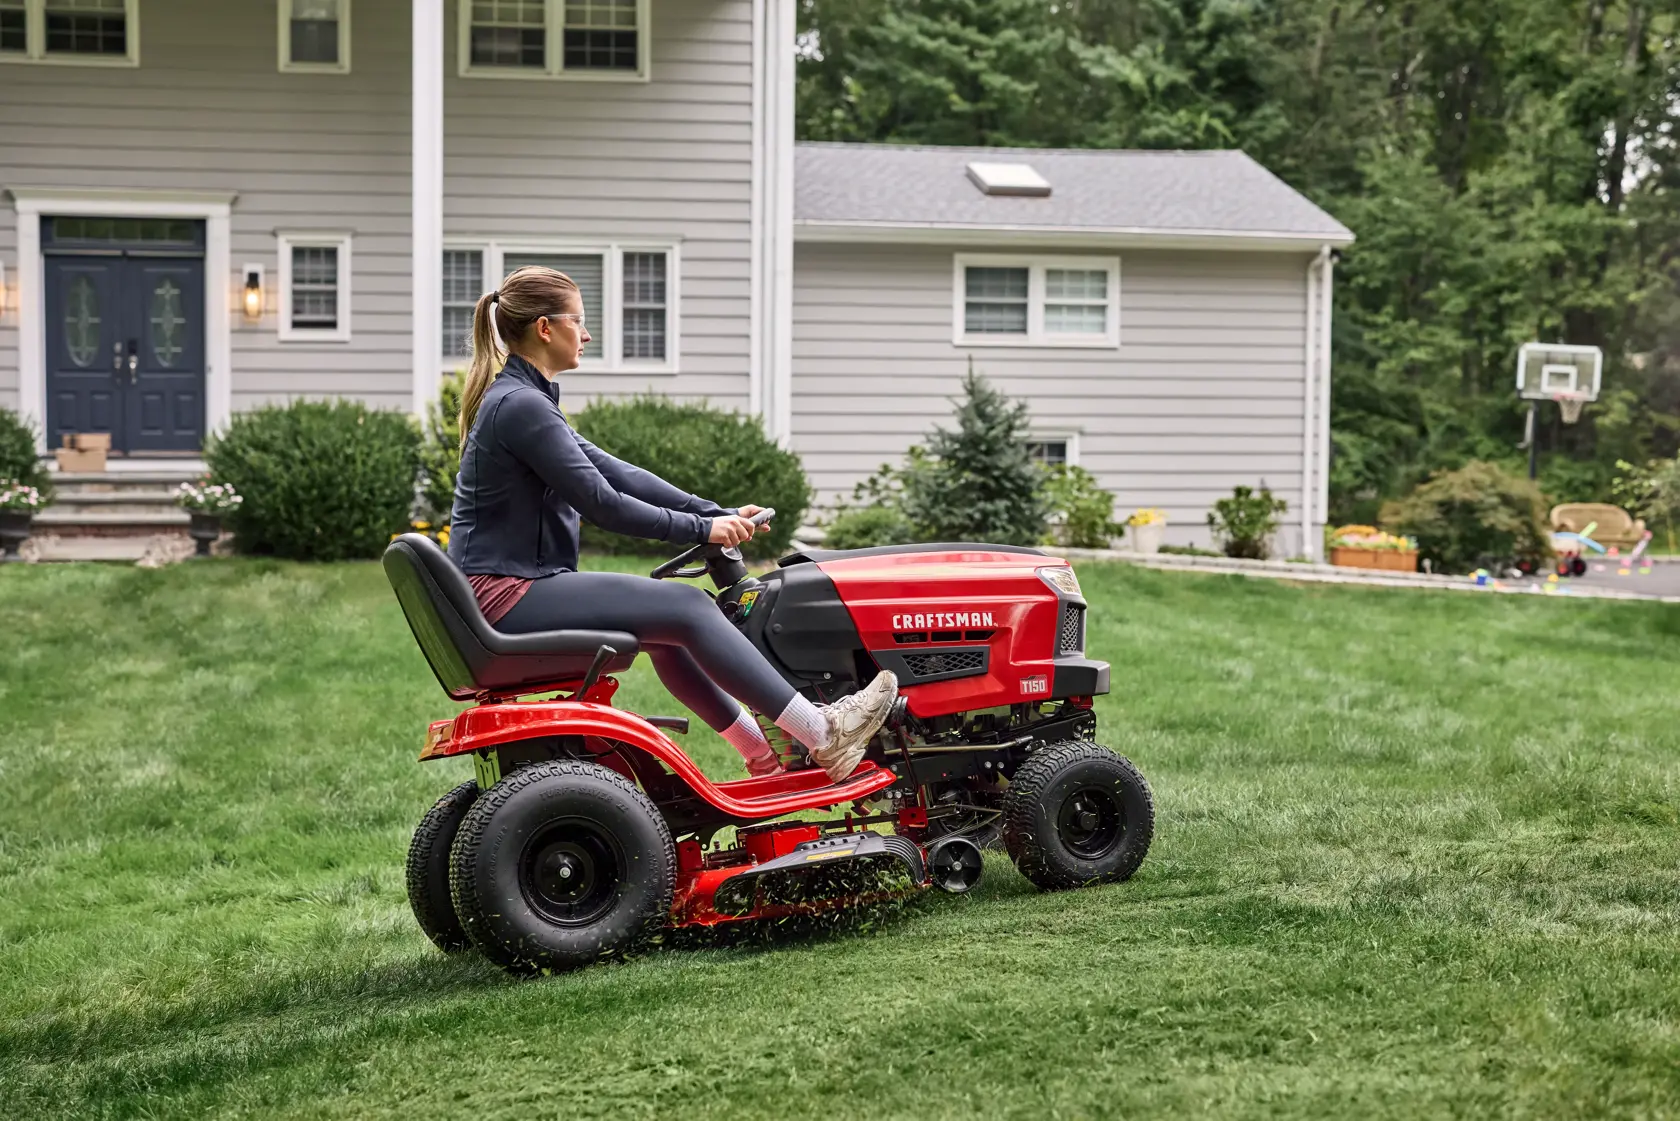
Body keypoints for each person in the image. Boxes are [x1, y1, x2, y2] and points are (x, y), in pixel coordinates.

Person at [447, 265, 897, 782]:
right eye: (580, 321)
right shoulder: (521, 406)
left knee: (669, 629)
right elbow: (604, 503)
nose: (588, 334)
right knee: (686, 605)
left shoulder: (525, 400)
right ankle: (823, 734)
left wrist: (713, 513)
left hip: (510, 587)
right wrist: (702, 532)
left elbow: (618, 473)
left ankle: (765, 757)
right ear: (545, 328)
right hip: (508, 594)